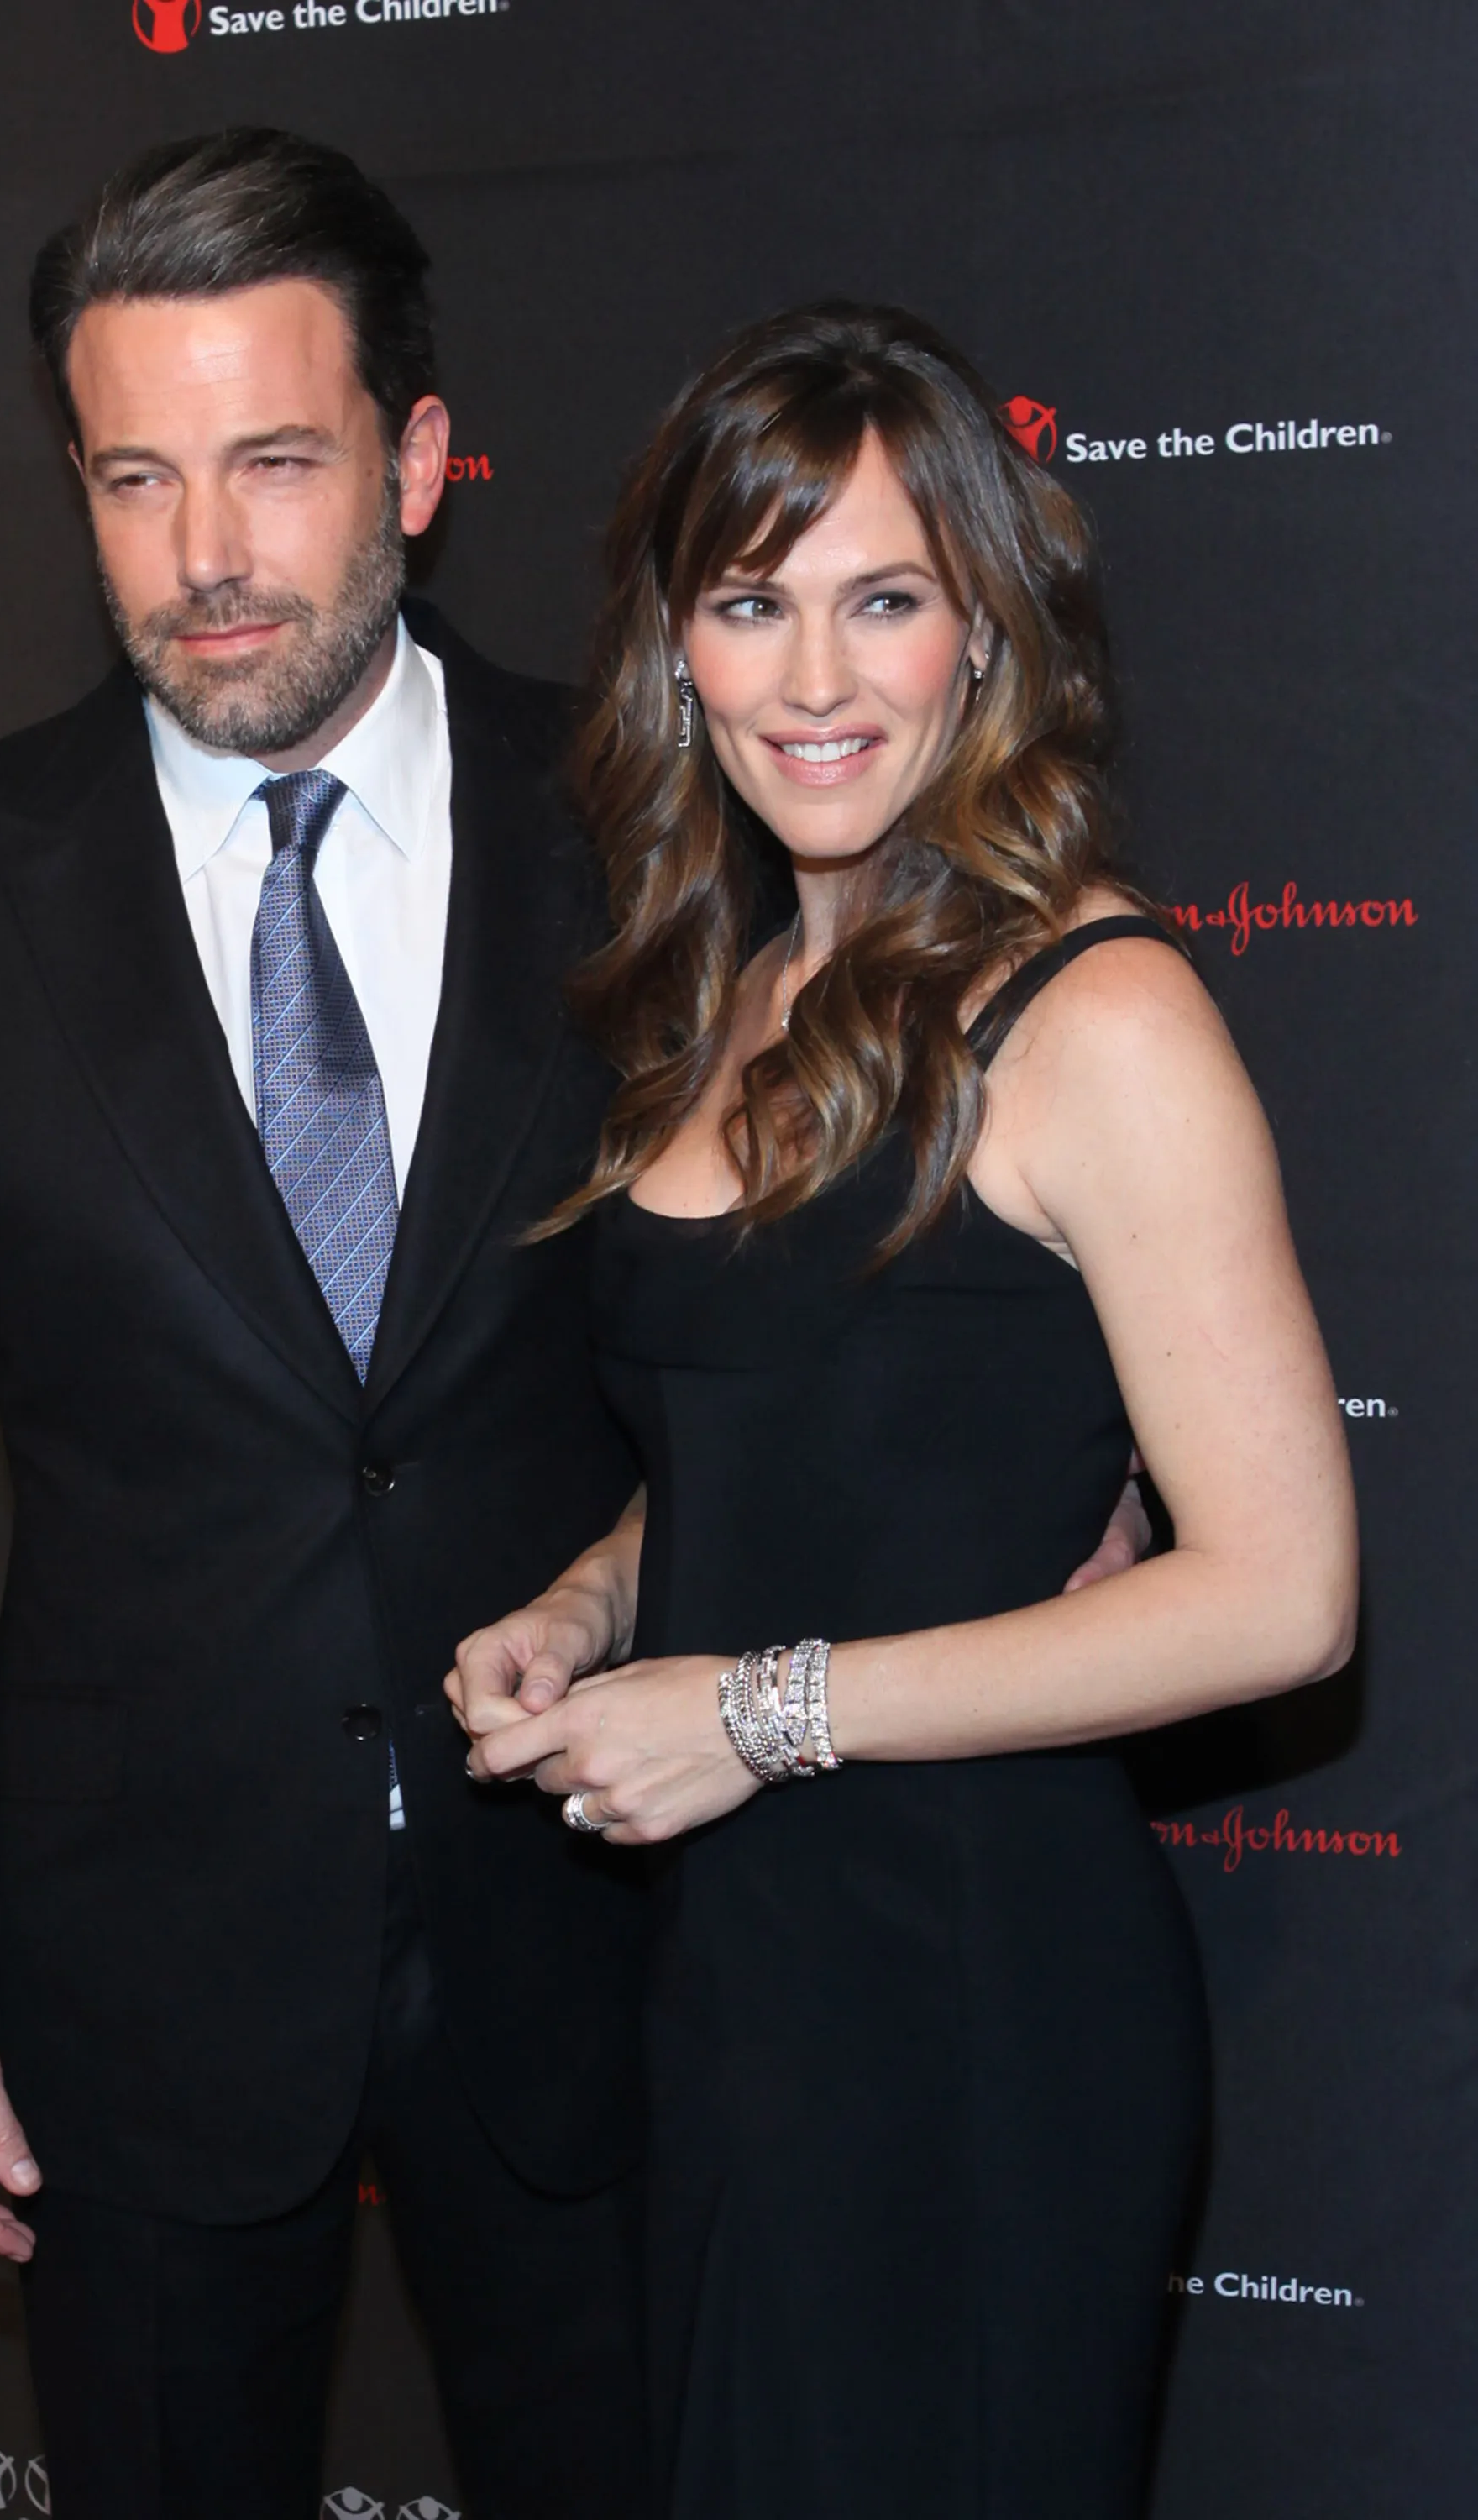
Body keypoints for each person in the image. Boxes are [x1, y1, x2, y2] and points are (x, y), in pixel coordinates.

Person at [0, 128, 655, 2520]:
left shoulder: (656, 822)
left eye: (272, 464)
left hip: (610, 1925)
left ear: (421, 465)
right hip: (126, 1973)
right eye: (136, 477)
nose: (205, 557)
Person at [451, 302, 1359, 2518]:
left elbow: (1278, 1601)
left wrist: (747, 1711)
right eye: (753, 606)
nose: (817, 680)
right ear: (679, 649)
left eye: (884, 600)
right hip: (734, 1994)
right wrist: (586, 1608)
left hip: (973, 1999)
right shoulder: (737, 988)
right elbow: (791, 1437)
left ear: (982, 634)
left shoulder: (1093, 1009)